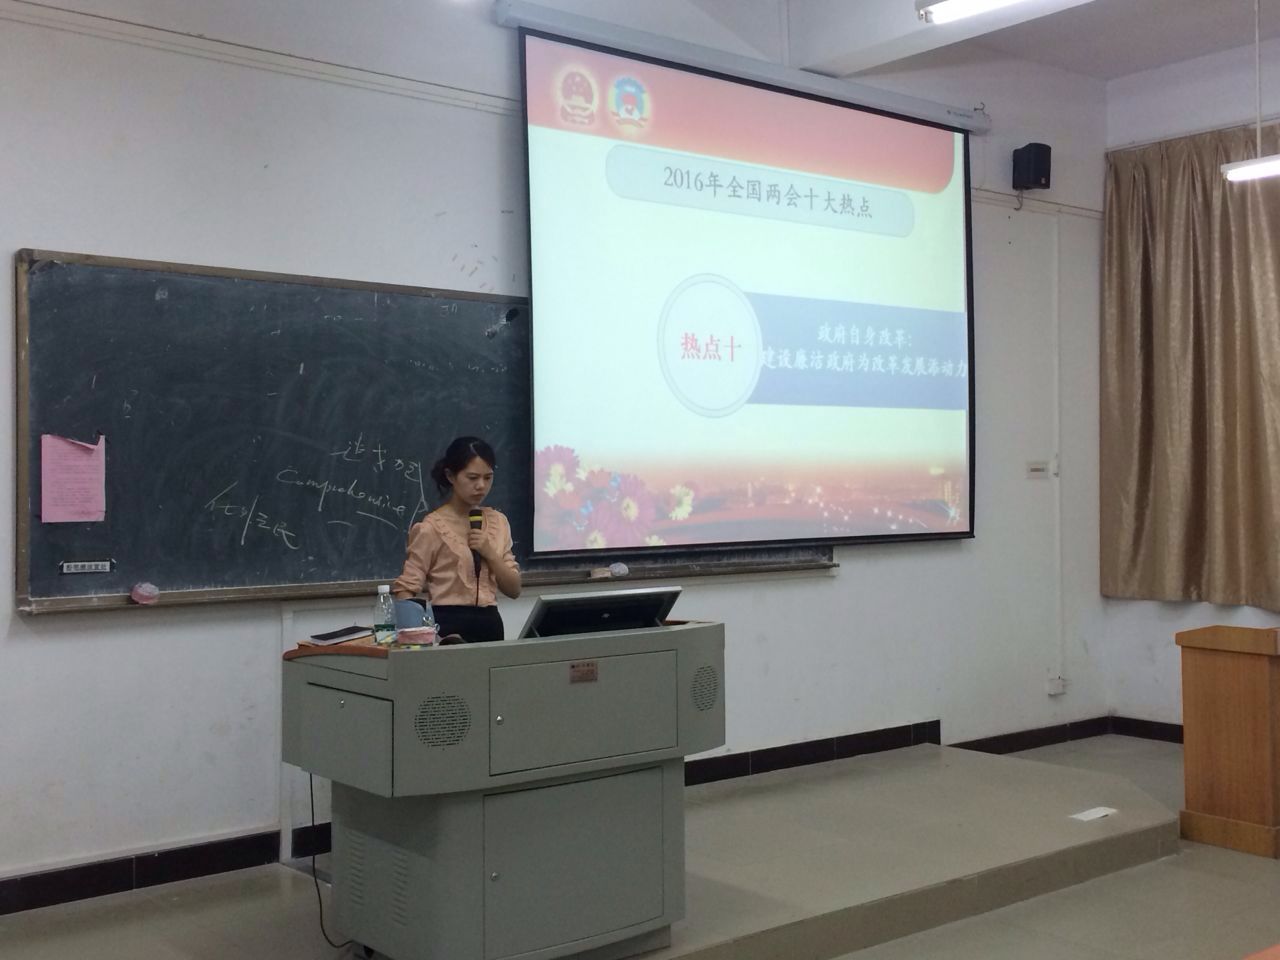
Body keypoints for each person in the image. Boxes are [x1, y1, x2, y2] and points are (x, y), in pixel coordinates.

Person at [392, 436, 521, 642]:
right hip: (447, 626)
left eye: (488, 478)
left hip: (490, 624)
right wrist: (418, 639)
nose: (481, 486)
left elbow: (514, 590)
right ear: (451, 476)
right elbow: (405, 589)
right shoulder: (431, 528)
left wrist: (490, 553)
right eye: (472, 478)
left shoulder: (499, 522)